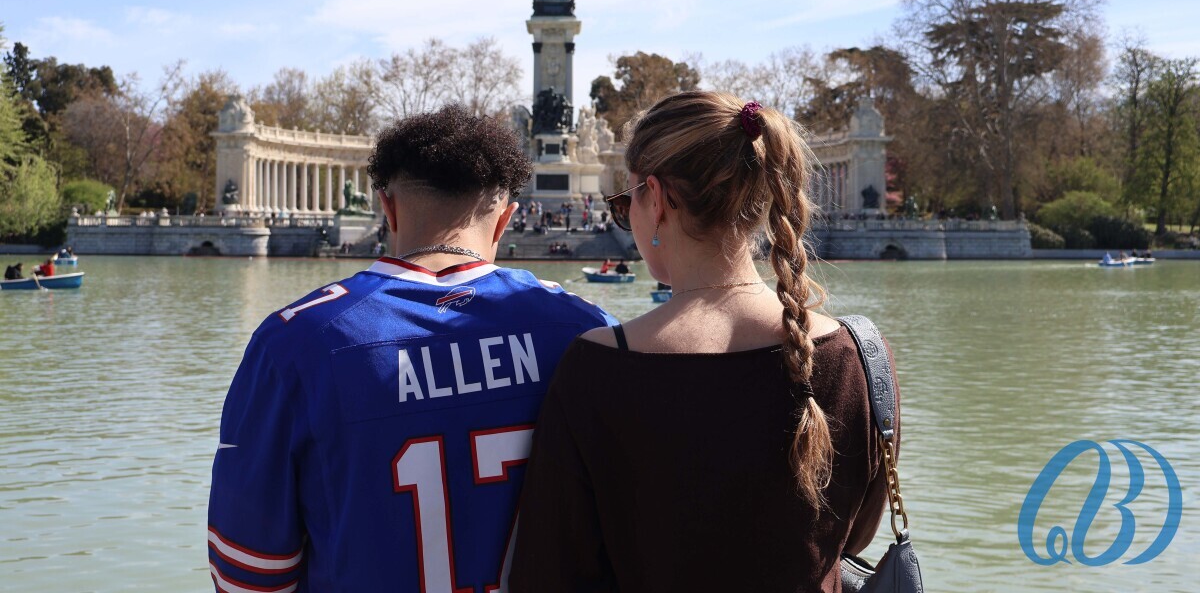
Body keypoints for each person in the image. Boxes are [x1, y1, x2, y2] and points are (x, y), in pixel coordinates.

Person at [209, 104, 618, 593]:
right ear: (506, 219)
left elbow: (248, 576)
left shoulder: (292, 342)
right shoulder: (588, 330)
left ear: (387, 208)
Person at [510, 92, 900, 592]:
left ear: (656, 198)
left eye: (626, 201)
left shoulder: (595, 367)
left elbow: (550, 573)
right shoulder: (859, 356)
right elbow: (853, 537)